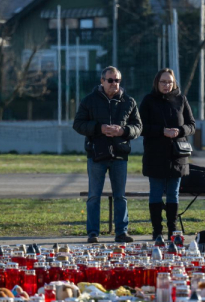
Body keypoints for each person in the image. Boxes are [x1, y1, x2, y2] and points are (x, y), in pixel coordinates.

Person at [73, 66, 142, 243]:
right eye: (110, 80)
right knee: (94, 196)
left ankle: (121, 232)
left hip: (119, 155)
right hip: (97, 155)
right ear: (102, 81)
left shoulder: (129, 101)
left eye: (117, 80)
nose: (114, 84)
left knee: (120, 196)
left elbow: (138, 127)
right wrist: (99, 128)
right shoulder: (89, 101)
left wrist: (123, 131)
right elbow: (78, 124)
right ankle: (93, 233)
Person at [139, 68, 196, 240]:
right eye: (163, 82)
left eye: (169, 82)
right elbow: (141, 127)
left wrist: (179, 131)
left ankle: (173, 229)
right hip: (155, 155)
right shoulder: (149, 101)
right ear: (156, 83)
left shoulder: (181, 99)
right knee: (155, 193)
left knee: (173, 193)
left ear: (174, 83)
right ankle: (157, 230)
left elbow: (192, 125)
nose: (166, 85)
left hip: (177, 155)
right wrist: (161, 131)